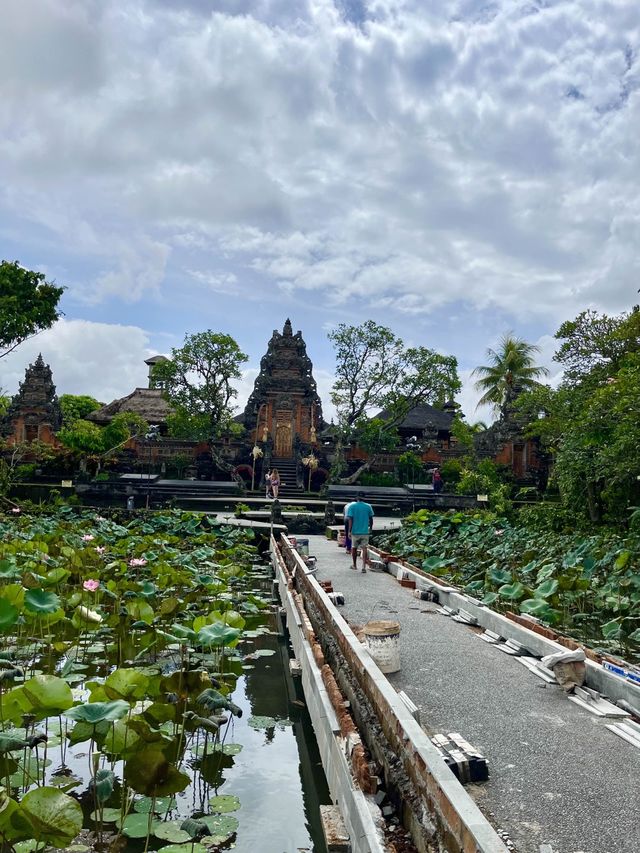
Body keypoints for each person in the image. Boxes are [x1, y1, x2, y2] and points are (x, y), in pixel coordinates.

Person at [346, 492, 374, 573]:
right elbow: (371, 519)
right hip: (365, 531)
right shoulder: (368, 506)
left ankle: (354, 565)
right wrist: (370, 528)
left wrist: (349, 531)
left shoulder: (352, 506)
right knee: (364, 548)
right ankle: (363, 567)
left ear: (356, 498)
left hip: (355, 531)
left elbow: (350, 519)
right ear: (364, 498)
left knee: (354, 547)